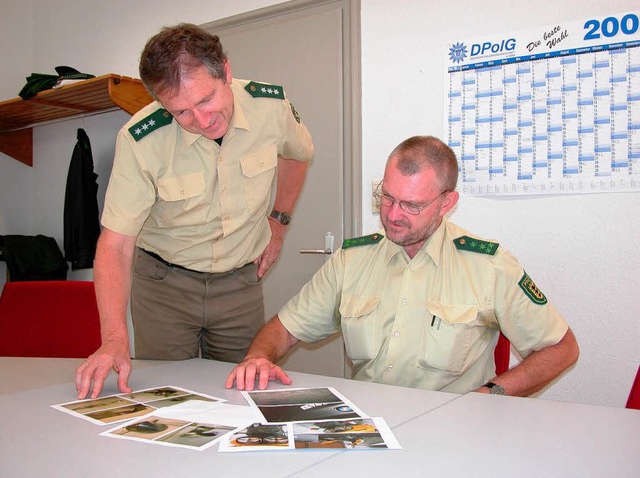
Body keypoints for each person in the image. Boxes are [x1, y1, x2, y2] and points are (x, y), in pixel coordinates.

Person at [226, 135, 579, 396]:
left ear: (447, 203)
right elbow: (284, 329)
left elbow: (561, 349)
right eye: (387, 197)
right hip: (369, 426)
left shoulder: (487, 265)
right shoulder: (354, 260)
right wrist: (259, 356)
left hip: (452, 430)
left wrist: (492, 395)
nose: (393, 216)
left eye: (411, 205)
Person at [75, 23, 313, 399]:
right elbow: (116, 244)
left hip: (240, 283)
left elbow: (299, 156)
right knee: (168, 401)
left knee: (247, 394)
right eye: (181, 112)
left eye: (205, 100)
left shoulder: (271, 108)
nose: (201, 121)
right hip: (164, 287)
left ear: (226, 71)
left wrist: (279, 223)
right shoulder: (140, 140)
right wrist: (114, 339)